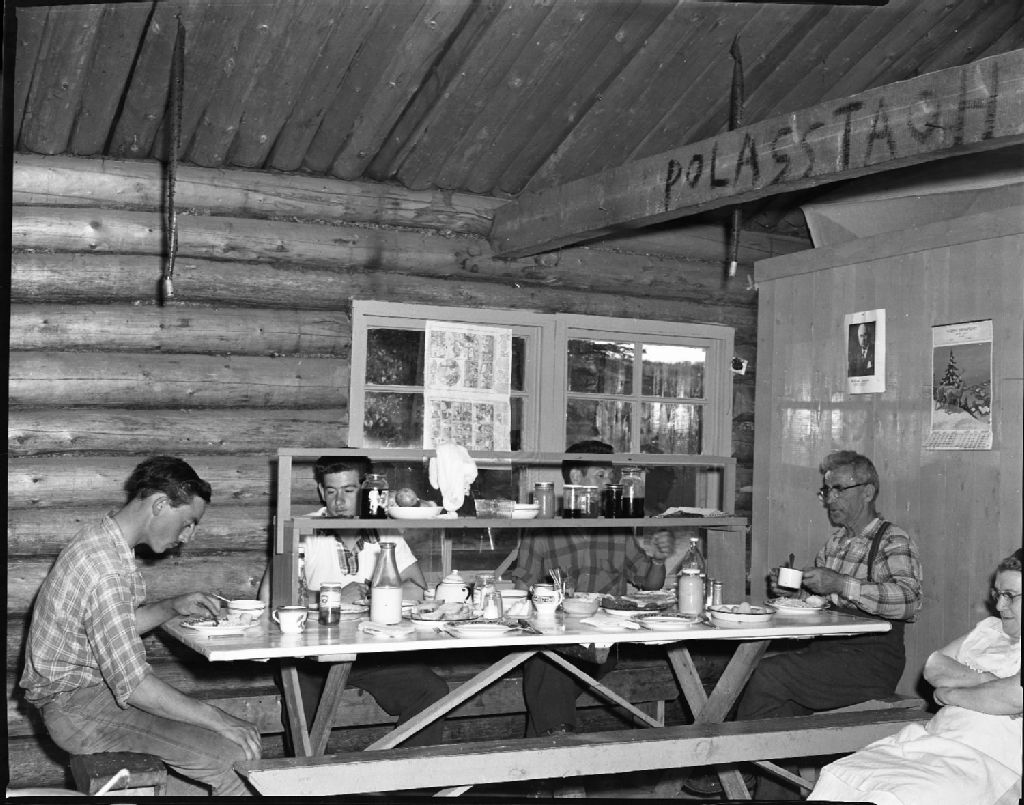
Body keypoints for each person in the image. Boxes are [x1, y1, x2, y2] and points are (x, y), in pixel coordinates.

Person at [688, 449, 924, 798]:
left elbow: (909, 600)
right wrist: (796, 592)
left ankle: (739, 767)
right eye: (826, 491)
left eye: (839, 489)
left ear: (868, 491)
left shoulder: (892, 540)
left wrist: (840, 583)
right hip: (827, 654)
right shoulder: (836, 543)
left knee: (769, 676)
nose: (830, 499)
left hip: (871, 661)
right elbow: (823, 604)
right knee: (775, 708)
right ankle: (768, 789)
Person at [20, 456, 260, 796]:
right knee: (234, 758)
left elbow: (109, 628)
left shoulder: (102, 539)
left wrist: (171, 606)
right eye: (188, 522)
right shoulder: (106, 568)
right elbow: (134, 686)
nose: (188, 536)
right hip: (78, 710)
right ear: (160, 504)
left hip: (86, 698)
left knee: (216, 740)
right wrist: (220, 718)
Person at [258, 455, 448, 747]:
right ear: (321, 491)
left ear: (367, 491)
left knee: (431, 691)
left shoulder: (384, 530)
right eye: (331, 491)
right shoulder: (302, 530)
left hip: (371, 655)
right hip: (311, 657)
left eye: (348, 490)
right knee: (303, 717)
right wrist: (333, 596)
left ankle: (406, 772)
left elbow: (418, 588)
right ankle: (308, 776)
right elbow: (270, 598)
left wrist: (375, 594)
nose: (339, 501)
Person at [809, 548, 1022, 805]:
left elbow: (1015, 696)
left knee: (900, 796)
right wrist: (989, 682)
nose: (999, 606)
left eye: (1010, 596)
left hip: (986, 758)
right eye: (998, 594)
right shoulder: (989, 629)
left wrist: (949, 693)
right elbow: (934, 666)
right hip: (935, 740)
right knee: (846, 774)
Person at [509, 440, 675, 737]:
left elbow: (651, 584)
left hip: (605, 642)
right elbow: (522, 593)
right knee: (548, 660)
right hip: (555, 637)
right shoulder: (542, 531)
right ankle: (558, 747)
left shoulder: (617, 530)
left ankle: (551, 751)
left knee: (547, 669)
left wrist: (658, 560)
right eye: (601, 475)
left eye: (611, 476)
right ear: (576, 478)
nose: (610, 483)